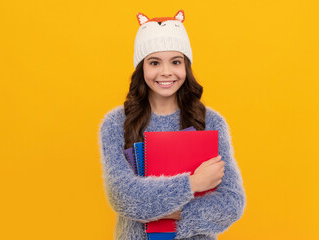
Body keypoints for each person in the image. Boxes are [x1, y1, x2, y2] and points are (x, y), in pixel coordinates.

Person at [98, 10, 246, 240]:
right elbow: (123, 196)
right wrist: (193, 183)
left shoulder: (211, 122)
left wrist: (163, 217)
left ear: (186, 67)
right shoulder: (116, 123)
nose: (166, 72)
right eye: (154, 62)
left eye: (176, 62)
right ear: (142, 68)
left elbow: (231, 202)